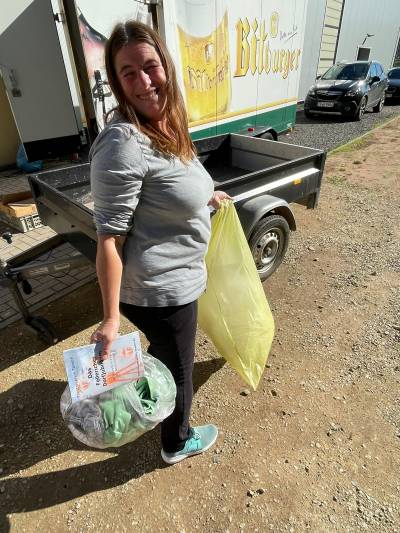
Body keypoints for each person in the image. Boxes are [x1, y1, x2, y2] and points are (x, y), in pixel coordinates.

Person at [89, 20, 231, 464]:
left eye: (150, 66)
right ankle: (176, 442)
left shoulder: (165, 125)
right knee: (181, 369)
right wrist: (110, 319)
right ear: (117, 82)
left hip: (173, 280)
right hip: (161, 292)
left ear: (166, 65)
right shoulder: (123, 143)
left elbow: (169, 187)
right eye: (128, 72)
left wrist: (206, 197)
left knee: (167, 356)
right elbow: (109, 239)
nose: (144, 81)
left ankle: (158, 402)